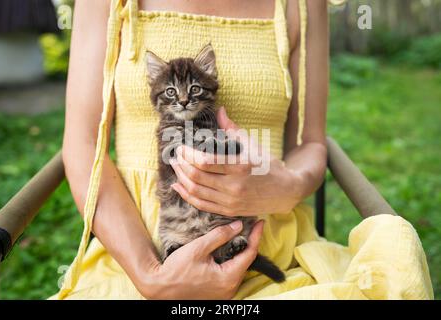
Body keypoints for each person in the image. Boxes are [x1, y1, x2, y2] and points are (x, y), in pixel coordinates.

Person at [52, 0, 433, 299]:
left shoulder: (302, 4)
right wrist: (152, 275)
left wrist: (285, 183)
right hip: (137, 254)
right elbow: (84, 145)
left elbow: (311, 144)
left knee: (398, 253)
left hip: (269, 243)